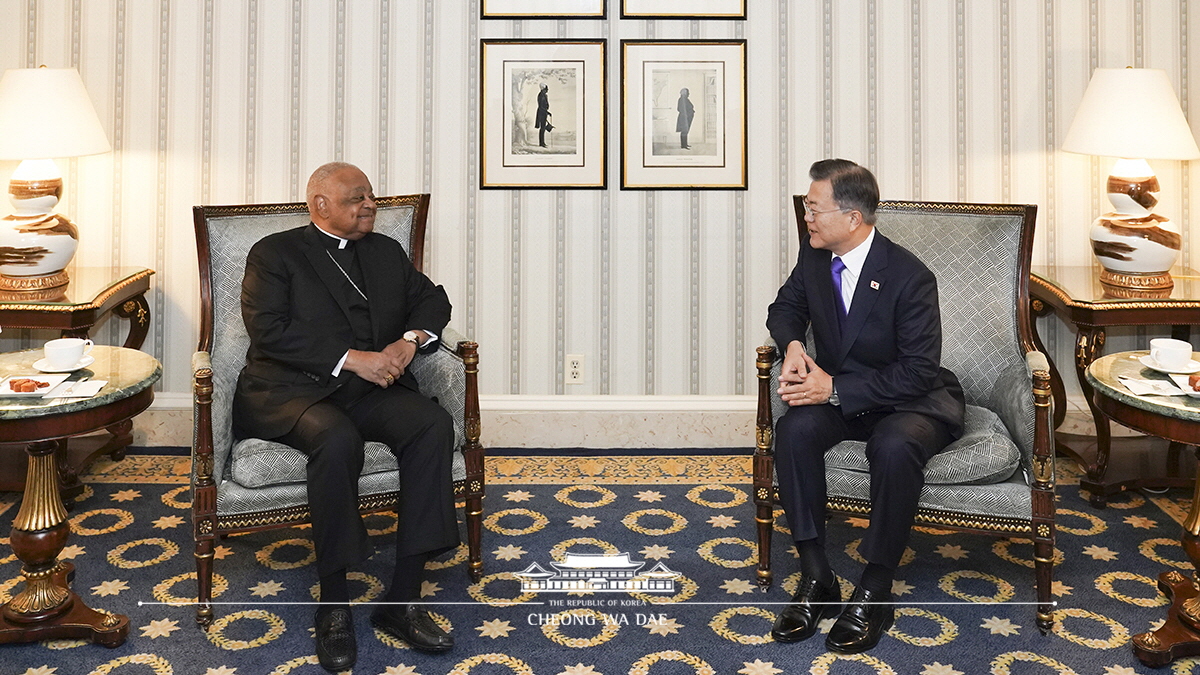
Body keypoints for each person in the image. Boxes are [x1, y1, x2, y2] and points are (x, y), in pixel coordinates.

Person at [235, 162, 458, 672]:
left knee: (431, 424)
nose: (370, 205)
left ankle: (402, 599)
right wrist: (354, 357)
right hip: (293, 391)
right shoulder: (275, 253)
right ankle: (333, 602)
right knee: (337, 441)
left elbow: (432, 300)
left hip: (369, 389)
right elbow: (268, 331)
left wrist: (408, 342)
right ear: (320, 205)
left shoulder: (384, 251)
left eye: (371, 196)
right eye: (357, 197)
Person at [765, 159, 965, 654]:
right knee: (793, 432)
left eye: (815, 209)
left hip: (909, 398)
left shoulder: (909, 276)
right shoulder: (815, 257)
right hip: (843, 391)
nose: (807, 218)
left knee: (895, 447)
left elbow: (919, 369)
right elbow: (784, 308)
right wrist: (793, 345)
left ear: (852, 219)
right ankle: (817, 577)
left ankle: (875, 588)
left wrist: (832, 389)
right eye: (807, 208)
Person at [535, 83, 551, 148]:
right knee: (542, 128)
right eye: (546, 89)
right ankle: (541, 143)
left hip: (544, 113)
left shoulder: (544, 95)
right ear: (543, 89)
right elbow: (541, 106)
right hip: (541, 113)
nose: (547, 90)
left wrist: (546, 112)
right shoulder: (541, 95)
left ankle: (542, 143)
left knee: (543, 128)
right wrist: (547, 112)